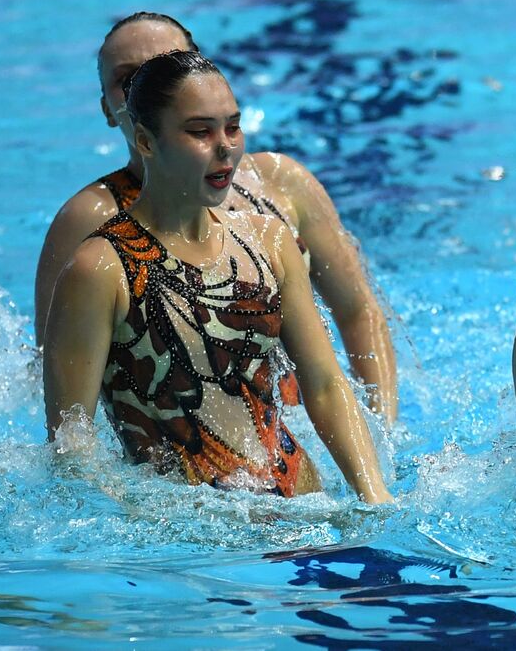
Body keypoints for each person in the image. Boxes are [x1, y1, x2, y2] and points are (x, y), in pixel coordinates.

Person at [44, 51, 392, 501]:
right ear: (146, 141)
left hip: (304, 506)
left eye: (233, 126)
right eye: (200, 132)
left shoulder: (269, 240)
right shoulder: (100, 268)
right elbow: (71, 449)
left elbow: (325, 385)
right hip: (192, 539)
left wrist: (374, 496)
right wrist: (139, 520)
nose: (225, 145)